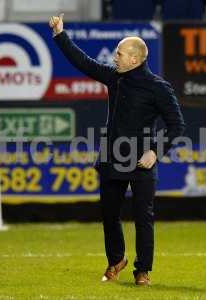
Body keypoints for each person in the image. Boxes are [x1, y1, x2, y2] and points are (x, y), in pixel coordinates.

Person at [49, 14, 186, 286]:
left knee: (143, 218)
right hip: (112, 158)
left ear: (135, 59)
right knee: (109, 215)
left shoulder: (159, 88)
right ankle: (116, 261)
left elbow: (176, 125)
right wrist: (59, 35)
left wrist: (155, 151)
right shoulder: (115, 78)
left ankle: (142, 270)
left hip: (142, 162)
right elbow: (84, 63)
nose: (115, 57)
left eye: (119, 53)